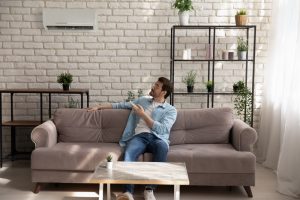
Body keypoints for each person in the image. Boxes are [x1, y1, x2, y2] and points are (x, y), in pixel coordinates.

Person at [87, 77, 177, 200]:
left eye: (156, 86)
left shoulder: (171, 110)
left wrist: (142, 114)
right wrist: (99, 106)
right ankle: (128, 192)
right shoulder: (143, 100)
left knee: (162, 148)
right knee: (129, 154)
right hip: (139, 136)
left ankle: (149, 189)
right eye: (154, 84)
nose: (152, 86)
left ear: (163, 92)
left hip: (158, 138)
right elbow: (121, 104)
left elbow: (162, 129)